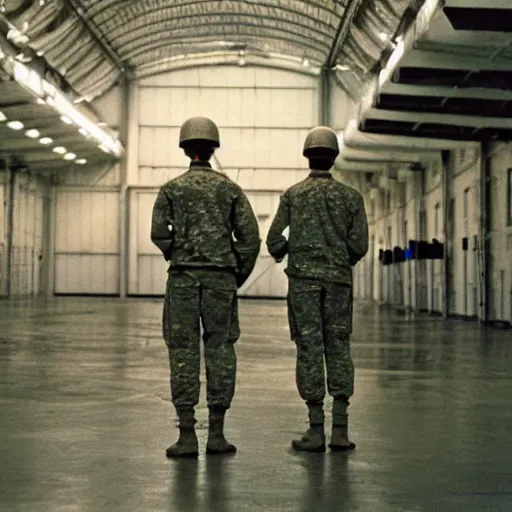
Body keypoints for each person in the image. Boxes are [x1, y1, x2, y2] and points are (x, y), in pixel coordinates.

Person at [151, 116, 261, 458]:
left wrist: (179, 253)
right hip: (220, 281)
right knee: (221, 351)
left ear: (185, 148)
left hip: (183, 279)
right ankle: (216, 434)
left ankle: (186, 435)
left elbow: (158, 233)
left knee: (182, 351)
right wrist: (234, 274)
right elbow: (250, 238)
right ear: (213, 149)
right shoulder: (230, 189)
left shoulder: (171, 189)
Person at [266, 126, 368, 452]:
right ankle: (340, 430)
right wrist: (342, 258)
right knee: (338, 345)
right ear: (334, 157)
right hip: (338, 281)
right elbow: (360, 244)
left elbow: (273, 238)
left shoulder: (293, 195)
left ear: (307, 156)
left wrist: (287, 249)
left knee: (309, 347)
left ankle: (315, 429)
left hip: (303, 283)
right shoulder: (351, 197)